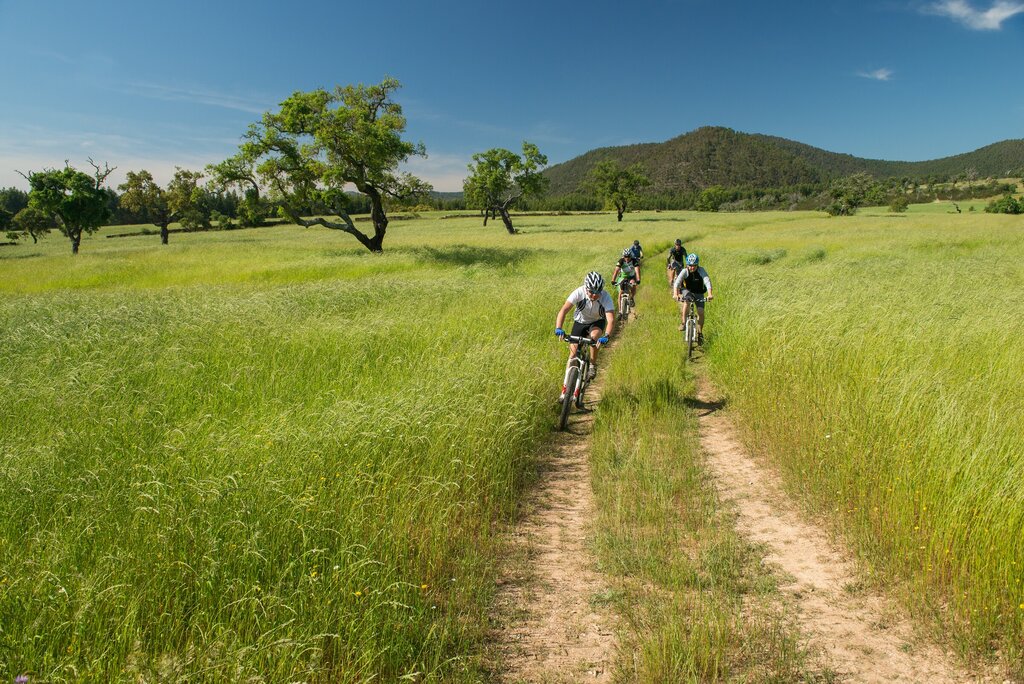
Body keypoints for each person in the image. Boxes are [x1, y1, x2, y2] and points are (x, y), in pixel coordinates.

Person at [555, 272, 616, 400]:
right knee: (572, 356)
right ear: (586, 288)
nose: (594, 295)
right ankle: (565, 389)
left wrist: (606, 335)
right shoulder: (579, 292)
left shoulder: (606, 297)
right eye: (591, 291)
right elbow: (563, 310)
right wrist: (558, 328)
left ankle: (592, 365)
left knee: (594, 338)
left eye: (598, 292)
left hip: (597, 322)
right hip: (580, 322)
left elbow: (610, 319)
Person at [673, 253, 713, 345]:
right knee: (687, 302)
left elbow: (707, 281)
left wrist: (710, 294)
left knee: (701, 312)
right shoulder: (685, 271)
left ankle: (700, 332)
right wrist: (675, 294)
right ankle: (683, 323)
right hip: (687, 291)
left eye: (694, 265)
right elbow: (677, 282)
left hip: (699, 292)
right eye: (690, 265)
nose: (692, 268)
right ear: (687, 265)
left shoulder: (701, 270)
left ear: (697, 265)